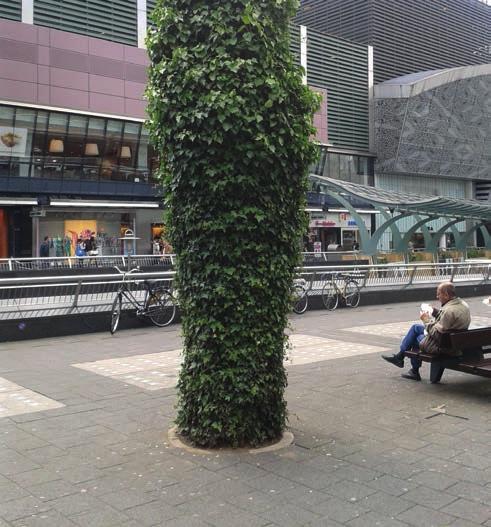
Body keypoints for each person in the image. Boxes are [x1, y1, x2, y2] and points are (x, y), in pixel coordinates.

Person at [382, 282, 470, 381]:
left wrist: (426, 320)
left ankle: (411, 368)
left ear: (446, 295)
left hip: (442, 346)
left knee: (415, 339)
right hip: (454, 342)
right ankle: (401, 357)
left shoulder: (448, 311)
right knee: (415, 327)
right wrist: (434, 311)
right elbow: (448, 321)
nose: (437, 296)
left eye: (438, 294)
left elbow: (437, 335)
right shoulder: (463, 305)